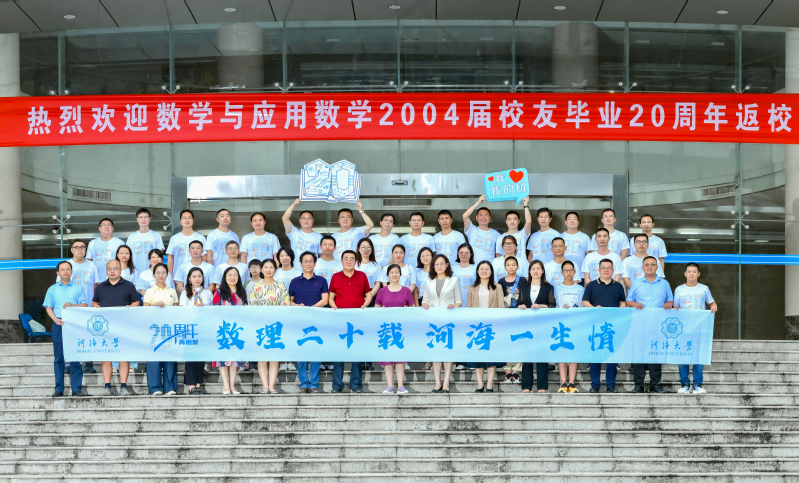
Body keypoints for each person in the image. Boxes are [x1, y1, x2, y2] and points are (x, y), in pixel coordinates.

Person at [626, 256, 674, 394]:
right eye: (646, 264)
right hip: (640, 324)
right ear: (642, 268)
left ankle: (655, 384)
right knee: (639, 354)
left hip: (659, 325)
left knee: (656, 354)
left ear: (657, 267)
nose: (649, 267)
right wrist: (635, 304)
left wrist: (669, 304)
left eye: (652, 264)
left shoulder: (664, 283)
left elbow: (670, 300)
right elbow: (629, 301)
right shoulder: (637, 283)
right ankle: (638, 385)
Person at [92, 260, 140, 396]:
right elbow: (94, 302)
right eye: (109, 269)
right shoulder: (100, 287)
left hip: (123, 326)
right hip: (105, 328)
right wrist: (95, 306)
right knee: (106, 356)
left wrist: (131, 306)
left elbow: (136, 301)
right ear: (106, 270)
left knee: (123, 356)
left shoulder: (129, 285)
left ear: (120, 270)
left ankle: (123, 387)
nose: (112, 271)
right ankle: (107, 387)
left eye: (115, 268)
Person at [329, 250, 372, 393]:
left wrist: (365, 305)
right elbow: (331, 298)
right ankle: (337, 385)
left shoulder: (362, 276)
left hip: (357, 319)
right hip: (340, 319)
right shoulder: (335, 277)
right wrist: (335, 308)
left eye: (352, 259)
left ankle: (356, 384)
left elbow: (368, 295)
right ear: (341, 261)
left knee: (356, 353)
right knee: (338, 353)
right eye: (346, 259)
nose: (348, 261)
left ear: (356, 261)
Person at [44, 261, 88, 397]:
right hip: (58, 323)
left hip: (74, 324)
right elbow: (48, 307)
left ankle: (76, 389)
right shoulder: (52, 289)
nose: (65, 271)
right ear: (58, 272)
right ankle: (59, 389)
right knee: (59, 357)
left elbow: (84, 304)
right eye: (62, 269)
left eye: (68, 269)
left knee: (75, 356)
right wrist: (55, 319)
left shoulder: (78, 287)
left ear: (71, 271)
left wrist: (72, 305)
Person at [582, 259, 626, 393]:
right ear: (599, 270)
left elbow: (622, 303)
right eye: (603, 268)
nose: (606, 270)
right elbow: (585, 302)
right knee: (595, 356)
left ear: (613, 270)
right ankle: (595, 385)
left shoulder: (618, 286)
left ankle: (611, 385)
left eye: (609, 268)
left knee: (612, 357)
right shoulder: (591, 285)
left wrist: (622, 308)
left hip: (613, 326)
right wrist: (595, 308)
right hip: (596, 325)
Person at [288, 251, 330, 393]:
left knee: (315, 353)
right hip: (299, 322)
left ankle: (314, 385)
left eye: (311, 261)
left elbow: (325, 300)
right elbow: (289, 301)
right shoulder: (294, 282)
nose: (308, 263)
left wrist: (311, 309)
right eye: (305, 261)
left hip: (317, 321)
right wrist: (298, 306)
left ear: (314, 263)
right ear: (300, 264)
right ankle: (304, 383)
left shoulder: (322, 281)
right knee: (301, 353)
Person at [674, 263, 718, 395]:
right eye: (689, 271)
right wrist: (675, 308)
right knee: (683, 356)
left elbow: (711, 302)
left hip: (700, 328)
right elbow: (676, 306)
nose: (691, 274)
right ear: (685, 274)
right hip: (683, 329)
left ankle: (698, 385)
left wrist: (713, 306)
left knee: (699, 356)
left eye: (694, 271)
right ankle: (684, 385)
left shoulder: (704, 288)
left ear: (698, 274)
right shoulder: (679, 289)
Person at [248, 259, 290, 394]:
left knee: (274, 357)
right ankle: (264, 386)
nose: (268, 270)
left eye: (271, 267)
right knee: (262, 358)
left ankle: (272, 385)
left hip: (276, 326)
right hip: (261, 326)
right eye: (265, 267)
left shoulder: (280, 286)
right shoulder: (256, 287)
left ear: (275, 270)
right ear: (261, 269)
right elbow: (251, 307)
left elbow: (286, 305)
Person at [422, 254, 462, 393]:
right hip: (433, 320)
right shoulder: (428, 281)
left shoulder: (454, 280)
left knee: (447, 351)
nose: (439, 266)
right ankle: (437, 382)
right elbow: (425, 300)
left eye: (441, 263)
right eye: (436, 264)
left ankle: (446, 383)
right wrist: (425, 304)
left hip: (448, 320)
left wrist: (454, 306)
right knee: (436, 351)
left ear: (447, 264)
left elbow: (459, 300)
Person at [375, 263, 416, 394]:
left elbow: (413, 309)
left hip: (401, 329)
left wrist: (407, 310)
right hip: (386, 328)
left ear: (400, 275)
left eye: (396, 272)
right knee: (387, 359)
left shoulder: (406, 291)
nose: (394, 275)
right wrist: (381, 311)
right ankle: (389, 385)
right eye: (391, 272)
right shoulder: (382, 291)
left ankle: (400, 386)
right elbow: (375, 309)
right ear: (387, 275)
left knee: (400, 359)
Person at [464, 261, 504, 392]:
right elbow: (469, 308)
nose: (484, 271)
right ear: (477, 271)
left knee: (491, 356)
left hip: (492, 326)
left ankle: (490, 383)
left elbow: (501, 307)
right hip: (477, 326)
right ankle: (480, 384)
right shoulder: (472, 288)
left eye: (487, 269)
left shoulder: (497, 287)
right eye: (481, 269)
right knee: (478, 356)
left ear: (491, 271)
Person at [519, 260, 556, 394]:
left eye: (538, 268)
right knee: (527, 355)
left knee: (542, 354)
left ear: (542, 271)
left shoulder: (548, 287)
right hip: (527, 324)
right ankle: (526, 386)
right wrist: (521, 305)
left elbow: (552, 306)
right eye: (533, 268)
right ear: (529, 271)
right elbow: (519, 302)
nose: (535, 271)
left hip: (542, 325)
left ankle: (542, 386)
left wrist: (540, 306)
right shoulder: (524, 286)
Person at [142, 263, 179, 396]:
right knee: (153, 357)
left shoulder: (172, 291)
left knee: (170, 357)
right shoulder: (150, 291)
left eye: (163, 272)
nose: (161, 275)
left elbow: (176, 310)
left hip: (169, 328)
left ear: (167, 274)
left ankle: (170, 388)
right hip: (154, 329)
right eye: (158, 272)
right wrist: (154, 305)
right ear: (154, 275)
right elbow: (145, 310)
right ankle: (155, 388)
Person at [64, 238, 99, 373]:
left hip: (88, 307)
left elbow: (95, 286)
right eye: (77, 247)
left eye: (82, 247)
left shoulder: (92, 265)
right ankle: (69, 364)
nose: (80, 249)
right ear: (72, 250)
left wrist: (95, 302)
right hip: (71, 308)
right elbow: (61, 286)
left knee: (88, 335)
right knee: (71, 335)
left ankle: (88, 363)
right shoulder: (67, 265)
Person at [213, 266, 248, 395]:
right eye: (229, 275)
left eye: (235, 275)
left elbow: (246, 310)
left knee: (235, 359)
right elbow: (215, 310)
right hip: (223, 328)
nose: (232, 277)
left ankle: (233, 386)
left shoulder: (242, 292)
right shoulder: (218, 292)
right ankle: (225, 386)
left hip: (237, 329)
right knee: (223, 358)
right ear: (225, 277)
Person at [178, 266, 213, 395]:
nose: (197, 279)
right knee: (191, 357)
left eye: (199, 276)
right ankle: (191, 386)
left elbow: (212, 311)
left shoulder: (208, 293)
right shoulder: (185, 293)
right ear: (189, 278)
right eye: (194, 276)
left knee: (200, 357)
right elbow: (182, 311)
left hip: (203, 328)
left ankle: (198, 384)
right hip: (190, 328)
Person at [497, 255, 528, 384]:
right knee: (507, 343)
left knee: (519, 342)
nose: (511, 267)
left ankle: (516, 372)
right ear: (505, 267)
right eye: (508, 265)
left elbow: (526, 296)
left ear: (518, 267)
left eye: (513, 265)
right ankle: (507, 371)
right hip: (506, 316)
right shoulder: (501, 282)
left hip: (520, 315)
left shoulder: (523, 280)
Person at [283, 198, 323, 266]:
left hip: (312, 270)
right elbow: (285, 218)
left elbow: (322, 256)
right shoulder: (294, 233)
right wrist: (294, 204)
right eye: (303, 218)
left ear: (313, 221)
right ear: (300, 221)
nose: (306, 221)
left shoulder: (319, 237)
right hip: (296, 270)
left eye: (309, 218)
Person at [166, 209, 207, 275]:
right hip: (178, 276)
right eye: (184, 218)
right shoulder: (174, 238)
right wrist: (171, 276)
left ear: (193, 220)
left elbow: (204, 258)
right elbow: (170, 259)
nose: (187, 220)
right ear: (180, 221)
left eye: (189, 218)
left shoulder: (200, 238)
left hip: (197, 277)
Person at [463, 195, 501, 263]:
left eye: (486, 215)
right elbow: (465, 216)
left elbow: (500, 253)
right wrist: (478, 202)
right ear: (476, 217)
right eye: (481, 215)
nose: (483, 217)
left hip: (489, 267)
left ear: (490, 218)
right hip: (473, 267)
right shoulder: (472, 230)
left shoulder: (496, 234)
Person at [126, 208, 165, 274]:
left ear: (149, 218)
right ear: (137, 219)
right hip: (135, 272)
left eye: (146, 217)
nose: (143, 219)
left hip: (152, 272)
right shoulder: (131, 237)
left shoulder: (156, 235)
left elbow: (160, 255)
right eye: (141, 217)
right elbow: (127, 254)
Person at [86, 218, 125, 282]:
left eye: (109, 225)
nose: (106, 227)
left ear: (113, 228)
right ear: (99, 228)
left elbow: (124, 262)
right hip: (97, 279)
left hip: (115, 279)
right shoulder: (92, 243)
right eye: (103, 225)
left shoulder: (120, 243)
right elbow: (89, 261)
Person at [354, 238, 381, 307]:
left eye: (368, 247)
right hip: (356, 295)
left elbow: (377, 284)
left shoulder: (376, 266)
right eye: (363, 247)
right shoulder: (354, 265)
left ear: (372, 249)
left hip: (372, 294)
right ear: (358, 249)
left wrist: (369, 297)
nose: (366, 250)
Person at [451, 243, 477, 309]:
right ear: (458, 254)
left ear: (471, 254)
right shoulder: (452, 269)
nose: (463, 254)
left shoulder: (476, 268)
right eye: (461, 252)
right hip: (454, 304)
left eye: (466, 252)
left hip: (472, 303)